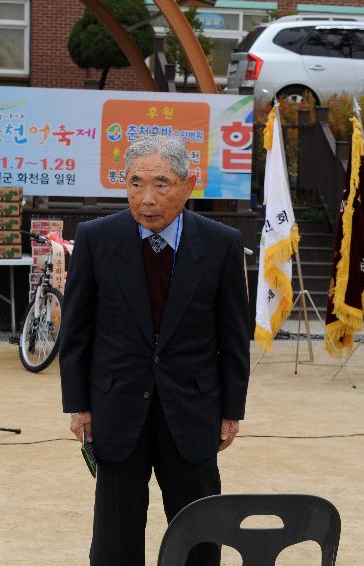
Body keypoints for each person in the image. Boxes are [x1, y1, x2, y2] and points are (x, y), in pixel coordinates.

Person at [59, 135, 250, 566]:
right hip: (117, 405)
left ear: (189, 184)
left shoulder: (221, 243)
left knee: (199, 529)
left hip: (193, 409)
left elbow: (234, 336)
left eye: (161, 184)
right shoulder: (96, 238)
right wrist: (79, 405)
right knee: (115, 533)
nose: (147, 199)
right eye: (135, 184)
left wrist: (231, 411)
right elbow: (75, 333)